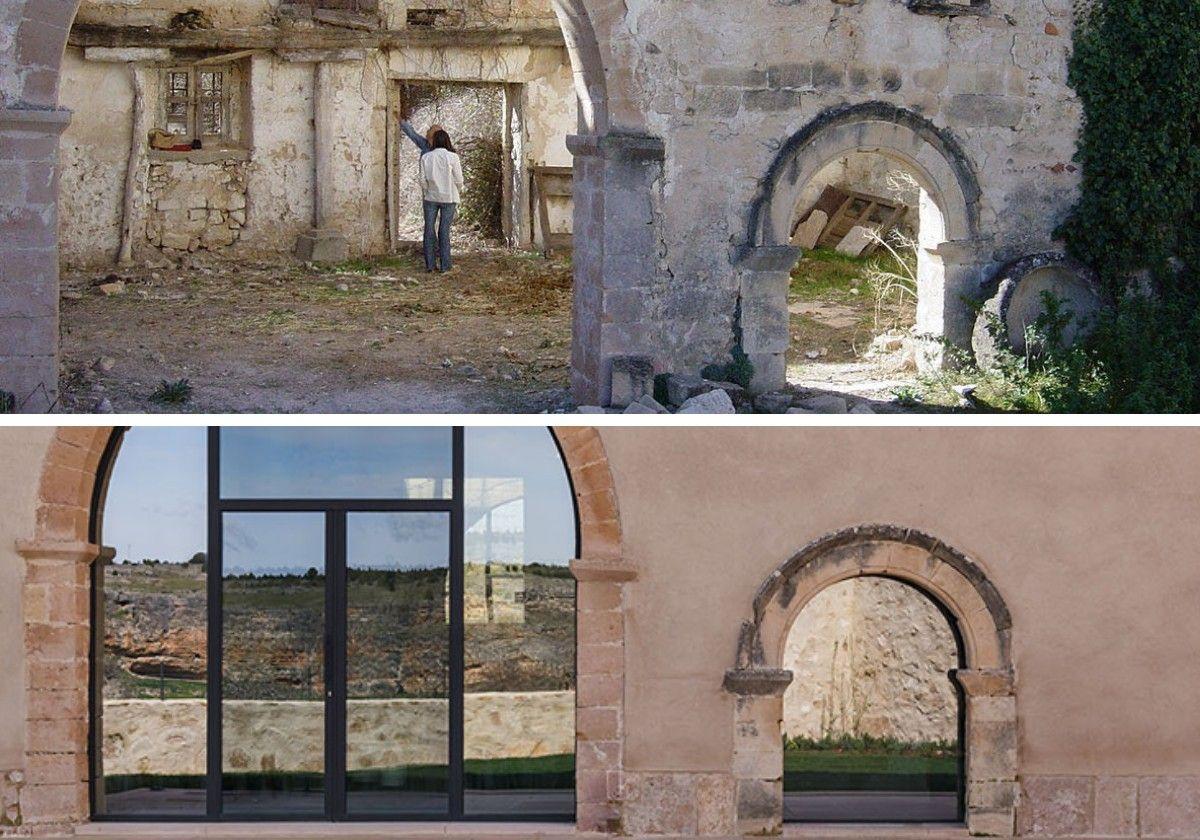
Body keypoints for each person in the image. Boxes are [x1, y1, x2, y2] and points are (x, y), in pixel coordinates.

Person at [418, 130, 464, 274]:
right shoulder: (453, 157)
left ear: (434, 141)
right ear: (447, 141)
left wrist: (427, 191)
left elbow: (422, 179)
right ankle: (445, 266)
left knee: (429, 230)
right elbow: (459, 179)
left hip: (431, 197)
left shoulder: (426, 157)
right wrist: (457, 188)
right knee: (444, 231)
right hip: (448, 197)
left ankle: (430, 265)